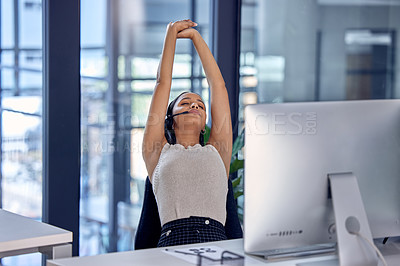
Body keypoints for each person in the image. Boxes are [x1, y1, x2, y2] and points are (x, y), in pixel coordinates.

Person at [142, 19, 233, 247]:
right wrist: (171, 34)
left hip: (217, 245)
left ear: (205, 125)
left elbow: (218, 86)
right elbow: (162, 83)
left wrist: (196, 37)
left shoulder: (217, 150)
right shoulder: (157, 152)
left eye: (200, 105)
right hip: (172, 245)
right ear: (170, 119)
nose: (195, 106)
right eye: (185, 103)